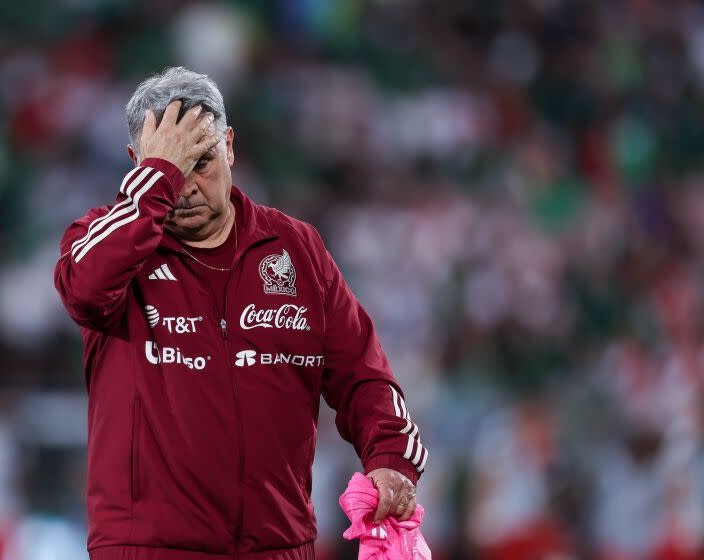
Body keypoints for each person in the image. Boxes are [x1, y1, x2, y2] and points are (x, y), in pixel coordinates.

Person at [54, 66, 428, 560]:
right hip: (149, 549)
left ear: (229, 145)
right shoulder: (104, 240)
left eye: (201, 162)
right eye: (169, 166)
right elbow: (83, 289)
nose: (184, 186)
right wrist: (156, 181)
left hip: (279, 546)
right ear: (135, 164)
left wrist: (392, 460)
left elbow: (364, 375)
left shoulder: (296, 247)